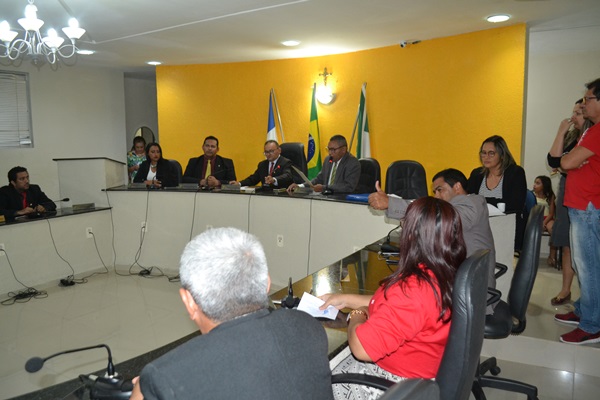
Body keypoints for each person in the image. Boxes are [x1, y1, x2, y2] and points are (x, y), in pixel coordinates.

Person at [130, 227, 333, 400]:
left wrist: (141, 389)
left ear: (188, 302)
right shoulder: (307, 324)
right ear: (267, 284)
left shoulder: (165, 377)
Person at [321, 197, 466, 399]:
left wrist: (357, 314)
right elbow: (393, 304)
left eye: (403, 224)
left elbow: (361, 349)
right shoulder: (444, 271)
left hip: (397, 386)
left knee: (312, 377)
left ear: (413, 235)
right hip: (424, 372)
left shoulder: (414, 289)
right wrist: (345, 299)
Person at [369, 168, 497, 313]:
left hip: (472, 296)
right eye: (434, 192)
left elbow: (443, 217)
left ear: (457, 186)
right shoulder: (459, 206)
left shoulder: (472, 203)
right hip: (459, 285)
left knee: (404, 302)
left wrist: (391, 203)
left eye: (440, 190)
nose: (436, 196)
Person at [554, 78, 600, 345]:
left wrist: (570, 162)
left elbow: (567, 162)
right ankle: (585, 310)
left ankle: (592, 325)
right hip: (583, 206)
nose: (584, 104)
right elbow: (569, 163)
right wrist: (571, 162)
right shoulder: (591, 130)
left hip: (587, 207)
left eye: (588, 99)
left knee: (588, 266)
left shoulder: (597, 131)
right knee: (587, 266)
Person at [547, 99, 592, 305]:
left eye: (578, 113)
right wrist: (561, 131)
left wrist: (566, 165)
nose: (573, 117)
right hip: (568, 191)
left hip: (586, 195)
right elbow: (554, 161)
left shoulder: (591, 136)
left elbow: (566, 164)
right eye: (573, 112)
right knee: (567, 244)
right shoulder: (573, 137)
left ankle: (588, 300)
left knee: (586, 251)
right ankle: (566, 291)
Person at [466, 135, 527, 251]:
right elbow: (468, 199)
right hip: (480, 227)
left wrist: (481, 201)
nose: (486, 157)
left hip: (507, 226)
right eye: (483, 153)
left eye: (491, 153)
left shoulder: (515, 173)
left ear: (502, 155)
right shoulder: (477, 174)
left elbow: (515, 205)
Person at [287, 135, 360, 194]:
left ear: (343, 149)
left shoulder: (352, 163)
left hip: (341, 200)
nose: (330, 153)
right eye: (329, 149)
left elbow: (348, 186)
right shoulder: (328, 160)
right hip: (325, 197)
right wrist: (300, 186)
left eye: (333, 150)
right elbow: (319, 179)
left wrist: (324, 187)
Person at [532, 175, 556, 265]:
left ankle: (552, 256)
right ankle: (531, 256)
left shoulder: (550, 196)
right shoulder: (531, 195)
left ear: (544, 185)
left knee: (553, 229)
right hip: (535, 218)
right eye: (535, 182)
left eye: (538, 183)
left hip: (547, 218)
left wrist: (544, 222)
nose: (534, 185)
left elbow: (551, 213)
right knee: (532, 230)